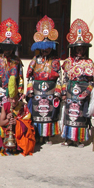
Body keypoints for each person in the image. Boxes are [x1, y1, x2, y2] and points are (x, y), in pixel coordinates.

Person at [26, 15, 62, 145]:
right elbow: (29, 75)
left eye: (48, 47)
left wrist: (58, 92)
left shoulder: (56, 60)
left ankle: (47, 136)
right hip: (37, 91)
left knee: (49, 113)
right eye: (43, 47)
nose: (45, 50)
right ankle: (38, 135)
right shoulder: (35, 60)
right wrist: (29, 89)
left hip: (50, 91)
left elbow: (59, 78)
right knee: (37, 113)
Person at [60, 19, 94, 147]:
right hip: (70, 92)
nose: (80, 51)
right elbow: (64, 78)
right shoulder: (68, 62)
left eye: (82, 49)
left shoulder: (89, 63)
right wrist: (63, 92)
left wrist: (87, 92)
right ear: (74, 49)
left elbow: (92, 82)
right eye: (77, 48)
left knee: (81, 116)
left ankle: (79, 139)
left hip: (83, 92)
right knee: (69, 116)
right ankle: (69, 139)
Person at [0, 18, 24, 136]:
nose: (7, 50)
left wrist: (20, 90)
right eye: (5, 47)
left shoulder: (17, 61)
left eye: (10, 47)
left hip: (12, 91)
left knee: (11, 111)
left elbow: (20, 77)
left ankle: (11, 132)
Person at [0, 76, 35, 156]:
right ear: (8, 98)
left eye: (16, 98)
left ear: (19, 98)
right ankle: (2, 146)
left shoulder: (24, 106)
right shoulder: (5, 106)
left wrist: (17, 123)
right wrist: (8, 119)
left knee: (27, 135)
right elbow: (0, 123)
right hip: (8, 128)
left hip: (19, 131)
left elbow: (28, 123)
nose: (14, 101)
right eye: (11, 99)